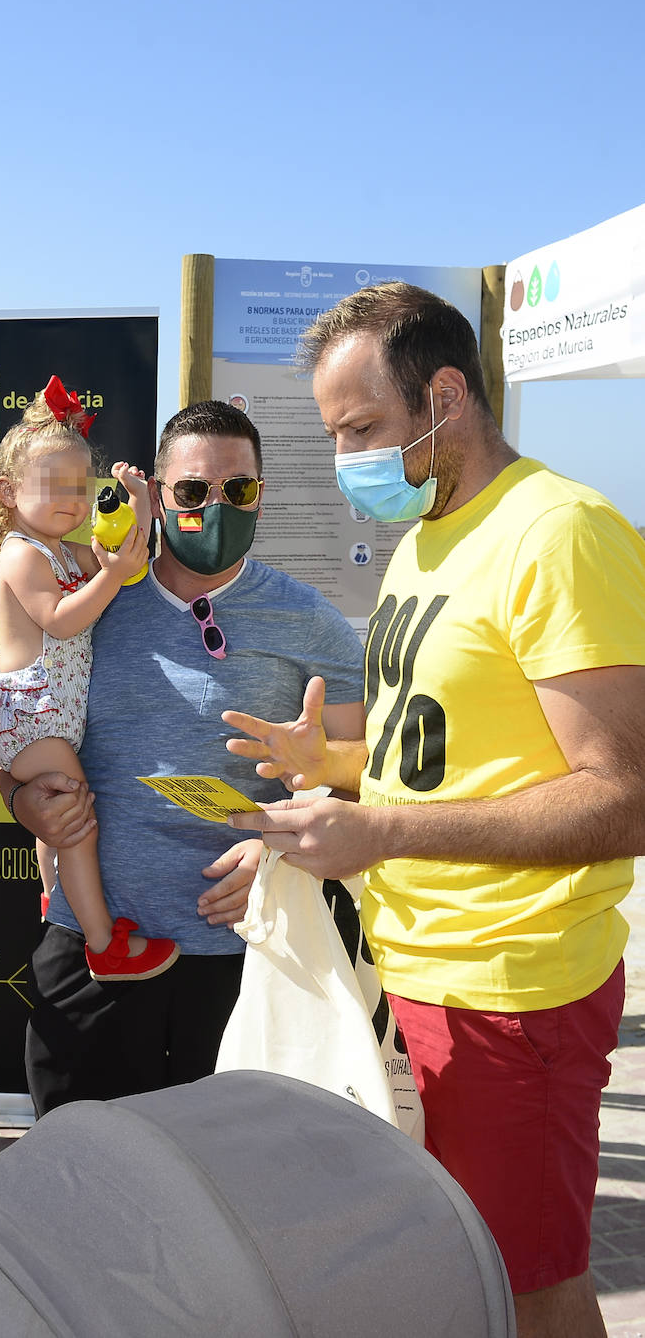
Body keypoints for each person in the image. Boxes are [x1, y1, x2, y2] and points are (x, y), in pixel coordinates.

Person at [225, 281, 645, 1338]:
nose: (346, 459)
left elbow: (623, 794)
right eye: (331, 435)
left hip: (514, 990)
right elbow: (458, 753)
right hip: (421, 973)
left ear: (445, 396)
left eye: (361, 428)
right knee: (467, 1266)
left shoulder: (560, 534)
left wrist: (385, 830)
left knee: (528, 1285)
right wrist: (337, 762)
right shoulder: (425, 539)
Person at [0, 399, 366, 1115]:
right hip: (95, 959)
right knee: (84, 1186)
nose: (215, 507)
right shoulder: (86, 602)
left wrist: (284, 852)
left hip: (247, 961)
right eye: (192, 491)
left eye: (239, 489)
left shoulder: (312, 624)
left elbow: (355, 777)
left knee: (228, 1195)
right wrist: (18, 798)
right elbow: (15, 722)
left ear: (263, 494)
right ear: (157, 496)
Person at [0, 378, 178, 981]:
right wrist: (108, 579)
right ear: (7, 491)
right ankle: (104, 945)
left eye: (82, 488)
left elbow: (124, 557)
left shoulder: (62, 550)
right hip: (31, 714)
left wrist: (139, 502)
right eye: (54, 486)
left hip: (50, 715)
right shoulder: (21, 553)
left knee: (58, 826)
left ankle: (56, 900)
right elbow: (61, 618)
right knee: (77, 823)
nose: (74, 501)